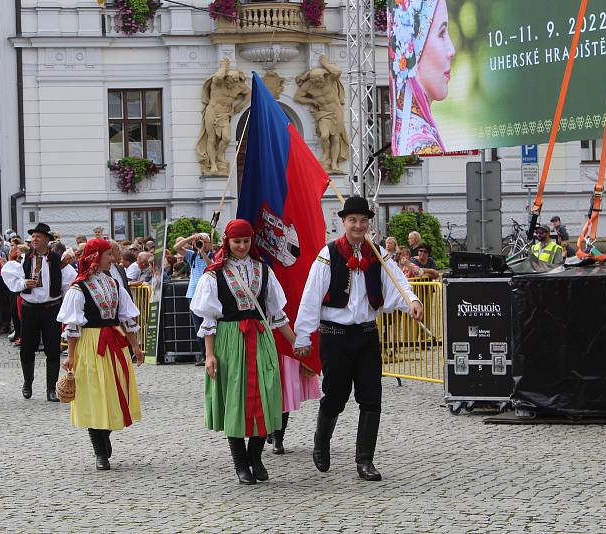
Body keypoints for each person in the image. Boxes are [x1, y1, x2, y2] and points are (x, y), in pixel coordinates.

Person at [294, 196, 423, 481]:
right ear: (343, 222)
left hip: (366, 335)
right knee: (336, 396)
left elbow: (397, 283)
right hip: (335, 336)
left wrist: (412, 300)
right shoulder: (328, 255)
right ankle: (321, 441)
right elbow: (311, 296)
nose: (358, 225)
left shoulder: (378, 254)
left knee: (371, 397)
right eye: (353, 220)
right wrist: (303, 336)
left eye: (363, 221)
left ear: (368, 223)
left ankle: (365, 460)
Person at [190, 219, 296, 485]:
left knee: (267, 395)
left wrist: (297, 345)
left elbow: (277, 314)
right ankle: (241, 464)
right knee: (235, 401)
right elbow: (209, 320)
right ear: (227, 242)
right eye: (237, 241)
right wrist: (210, 355)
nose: (242, 246)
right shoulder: (214, 274)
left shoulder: (263, 270)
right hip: (230, 339)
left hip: (260, 338)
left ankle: (256, 457)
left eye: (246, 241)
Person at [58, 238, 144, 471]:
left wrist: (135, 346)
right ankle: (100, 451)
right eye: (109, 255)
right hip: (90, 344)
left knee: (113, 394)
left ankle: (105, 435)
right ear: (95, 257)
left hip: (114, 343)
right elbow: (73, 328)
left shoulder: (114, 284)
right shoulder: (78, 289)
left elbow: (127, 318)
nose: (114, 259)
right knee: (94, 395)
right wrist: (71, 356)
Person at [1, 223, 77, 401]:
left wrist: (66, 307)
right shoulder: (24, 259)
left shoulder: (58, 261)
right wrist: (23, 284)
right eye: (33, 237)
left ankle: (51, 388)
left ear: (48, 240)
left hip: (51, 309)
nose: (34, 239)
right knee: (27, 349)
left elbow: (69, 284)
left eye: (38, 236)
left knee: (52, 350)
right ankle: (28, 382)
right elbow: (9, 276)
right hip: (30, 308)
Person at [389, 0, 454, 155]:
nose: (451, 50)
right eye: (442, 33)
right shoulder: (422, 144)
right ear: (416, 45)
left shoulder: (407, 128)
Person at [176, 232, 214, 365]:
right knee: (198, 326)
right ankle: (204, 356)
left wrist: (203, 252)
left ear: (209, 243)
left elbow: (212, 267)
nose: (200, 243)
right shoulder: (192, 255)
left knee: (210, 325)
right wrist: (191, 238)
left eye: (203, 241)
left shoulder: (213, 255)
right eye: (198, 241)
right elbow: (177, 248)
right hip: (193, 294)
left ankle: (211, 354)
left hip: (208, 294)